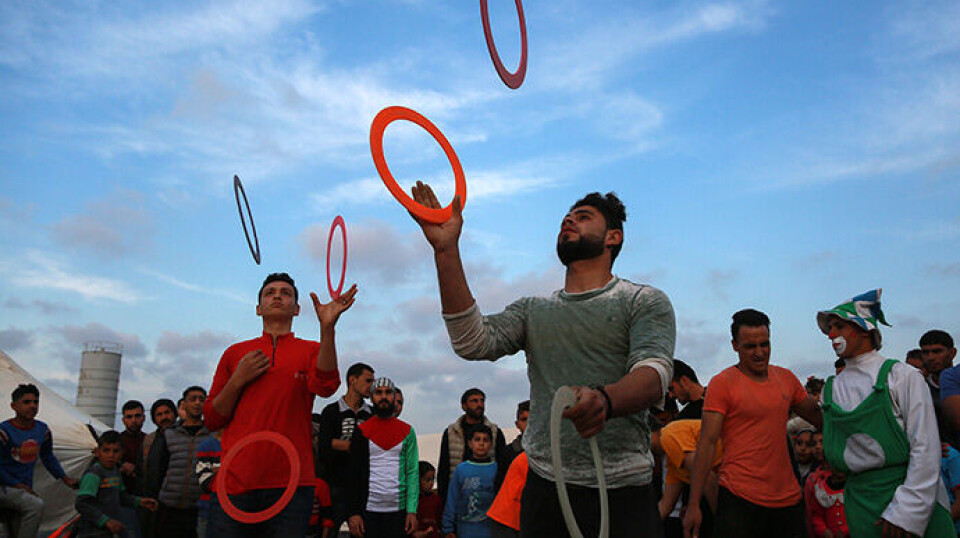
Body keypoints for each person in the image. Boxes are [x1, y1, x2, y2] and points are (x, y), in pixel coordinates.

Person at [410, 185, 675, 538]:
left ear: (614, 236)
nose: (568, 220)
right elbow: (471, 341)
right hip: (545, 488)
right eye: (567, 216)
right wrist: (445, 250)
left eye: (583, 217)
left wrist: (606, 400)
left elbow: (654, 373)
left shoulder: (642, 301)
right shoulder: (534, 309)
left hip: (623, 488)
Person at [204, 272, 354, 536]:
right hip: (235, 481)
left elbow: (326, 386)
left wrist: (328, 328)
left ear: (296, 309)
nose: (277, 296)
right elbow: (213, 418)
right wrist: (238, 379)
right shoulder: (235, 353)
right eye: (270, 292)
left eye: (285, 293)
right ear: (259, 308)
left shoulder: (311, 350)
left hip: (292, 483)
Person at [817, 289, 954, 537]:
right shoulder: (831, 389)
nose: (831, 335)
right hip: (859, 504)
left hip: (912, 496)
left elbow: (925, 446)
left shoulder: (902, 376)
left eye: (839, 326)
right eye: (829, 328)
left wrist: (907, 511)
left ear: (863, 329)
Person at [684, 309, 822, 538]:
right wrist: (694, 504)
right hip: (739, 500)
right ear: (734, 346)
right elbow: (707, 444)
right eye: (750, 346)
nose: (759, 353)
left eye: (764, 344)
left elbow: (822, 419)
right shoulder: (722, 384)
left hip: (788, 501)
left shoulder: (786, 379)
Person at [0, 383, 78, 538]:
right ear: (14, 406)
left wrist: (65, 478)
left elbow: (48, 457)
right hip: (3, 486)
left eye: (36, 402)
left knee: (18, 526)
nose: (32, 406)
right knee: (36, 505)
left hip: (23, 489)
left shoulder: (42, 430)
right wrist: (16, 484)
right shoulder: (4, 431)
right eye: (26, 402)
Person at [347, 378, 419, 538]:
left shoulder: (407, 431)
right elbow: (353, 473)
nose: (384, 396)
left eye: (388, 392)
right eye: (378, 393)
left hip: (398, 512)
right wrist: (354, 513)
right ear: (371, 397)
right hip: (368, 511)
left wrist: (412, 511)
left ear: (394, 397)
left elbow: (412, 472)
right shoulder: (362, 431)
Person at [149, 385, 213, 538]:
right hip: (168, 506)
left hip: (198, 508)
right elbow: (158, 468)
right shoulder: (169, 434)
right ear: (184, 404)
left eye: (201, 399)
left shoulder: (212, 435)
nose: (197, 403)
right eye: (193, 399)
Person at [319, 362, 374, 533]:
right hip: (336, 486)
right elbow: (324, 447)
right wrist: (355, 447)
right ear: (352, 380)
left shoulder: (372, 414)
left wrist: (339, 444)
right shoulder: (331, 411)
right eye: (368, 381)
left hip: (364, 488)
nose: (371, 386)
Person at [75, 430, 158, 537]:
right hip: (91, 531)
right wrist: (105, 521)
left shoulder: (115, 471)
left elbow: (121, 496)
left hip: (107, 530)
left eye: (115, 451)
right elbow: (82, 503)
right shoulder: (94, 474)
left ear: (122, 453)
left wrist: (140, 501)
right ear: (97, 452)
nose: (111, 455)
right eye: (106, 450)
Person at [438, 389, 506, 505]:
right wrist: (444, 499)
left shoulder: (494, 432)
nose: (479, 404)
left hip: (488, 495)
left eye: (482, 401)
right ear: (464, 406)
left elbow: (502, 465)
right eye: (474, 401)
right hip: (457, 494)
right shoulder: (451, 432)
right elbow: (444, 467)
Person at [657, 417, 722, 538]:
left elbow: (708, 479)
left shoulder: (668, 436)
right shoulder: (673, 461)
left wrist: (723, 525)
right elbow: (666, 506)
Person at [442, 426, 498, 538]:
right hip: (465, 530)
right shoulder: (461, 469)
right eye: (477, 439)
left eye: (485, 440)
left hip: (490, 530)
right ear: (469, 443)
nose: (481, 444)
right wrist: (447, 528)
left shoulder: (496, 468)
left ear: (491, 444)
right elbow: (452, 499)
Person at [803, 461, 848, 538]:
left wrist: (846, 530)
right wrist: (823, 530)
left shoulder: (853, 490)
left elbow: (860, 515)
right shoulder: (821, 490)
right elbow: (817, 516)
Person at [195, 431, 221, 538]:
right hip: (208, 511)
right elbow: (205, 483)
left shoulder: (242, 444)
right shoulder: (206, 446)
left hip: (236, 512)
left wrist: (219, 471)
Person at [118, 400, 146, 495]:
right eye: (129, 417)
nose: (133, 420)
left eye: (137, 416)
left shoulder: (151, 441)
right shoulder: (115, 441)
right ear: (123, 420)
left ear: (144, 418)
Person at [414, 461, 443, 538]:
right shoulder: (412, 500)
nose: (431, 483)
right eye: (427, 480)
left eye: (433, 479)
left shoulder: (436, 499)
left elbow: (439, 521)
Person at [502, 401, 529, 468]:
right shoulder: (507, 453)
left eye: (531, 419)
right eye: (524, 420)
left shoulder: (550, 449)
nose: (528, 423)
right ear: (517, 424)